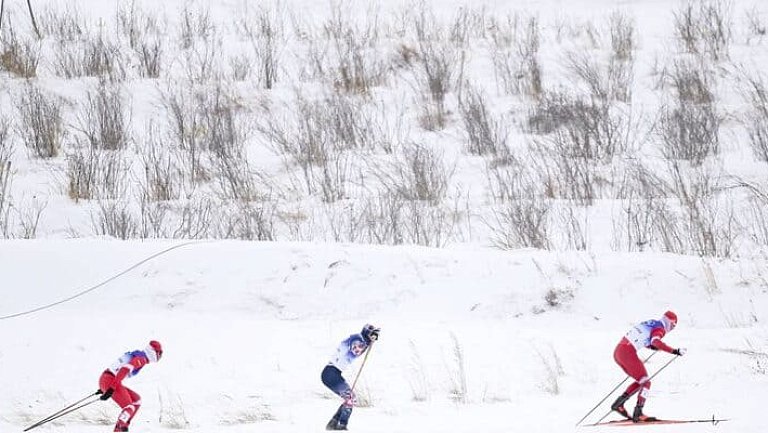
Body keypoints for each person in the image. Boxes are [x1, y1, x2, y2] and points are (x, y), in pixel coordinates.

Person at [610, 311, 685, 422]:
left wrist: (652, 347)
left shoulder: (653, 323)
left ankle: (619, 404)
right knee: (646, 382)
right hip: (627, 352)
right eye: (673, 326)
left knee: (641, 381)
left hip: (618, 351)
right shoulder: (660, 329)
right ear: (669, 323)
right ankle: (638, 413)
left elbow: (646, 339)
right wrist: (674, 351)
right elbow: (655, 341)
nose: (672, 329)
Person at [322, 324, 380, 431]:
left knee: (349, 397)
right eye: (372, 334)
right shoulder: (357, 339)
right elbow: (356, 349)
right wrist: (368, 342)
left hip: (334, 373)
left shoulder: (359, 339)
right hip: (331, 373)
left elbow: (358, 350)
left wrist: (369, 342)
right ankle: (341, 425)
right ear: (366, 332)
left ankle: (334, 423)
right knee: (350, 398)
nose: (373, 336)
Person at [97, 340, 163, 432]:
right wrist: (111, 387)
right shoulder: (141, 359)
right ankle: (119, 429)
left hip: (107, 379)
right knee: (129, 407)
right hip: (110, 380)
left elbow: (118, 367)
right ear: (153, 352)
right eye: (159, 353)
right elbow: (124, 369)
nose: (159, 356)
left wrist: (104, 387)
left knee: (136, 400)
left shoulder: (139, 355)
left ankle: (123, 426)